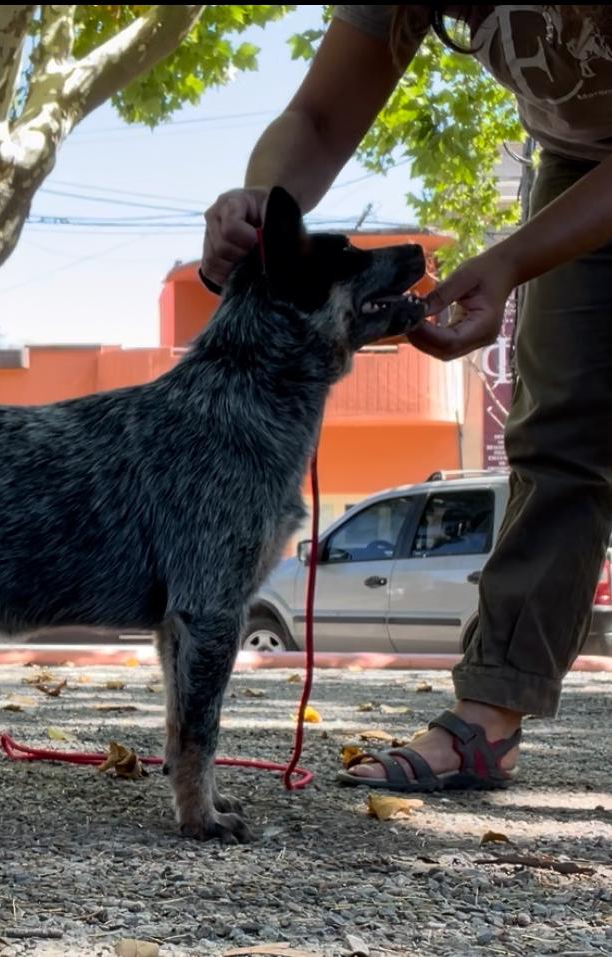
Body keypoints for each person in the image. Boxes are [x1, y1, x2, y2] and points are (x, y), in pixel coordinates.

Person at [200, 5, 612, 791]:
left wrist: (513, 258)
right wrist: (262, 198)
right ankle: (488, 718)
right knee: (558, 434)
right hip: (578, 161)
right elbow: (319, 119)